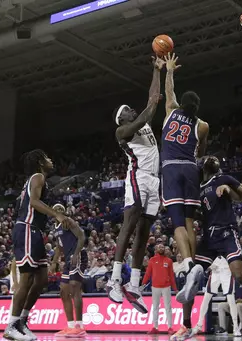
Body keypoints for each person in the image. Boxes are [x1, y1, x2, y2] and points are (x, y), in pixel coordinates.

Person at [171, 156, 242, 340]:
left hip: (226, 232)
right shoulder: (197, 189)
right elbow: (199, 212)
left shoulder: (223, 178)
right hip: (209, 237)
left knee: (240, 275)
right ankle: (186, 325)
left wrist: (231, 190)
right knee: (191, 276)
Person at [106, 56, 165, 313]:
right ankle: (114, 279)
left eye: (132, 108)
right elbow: (147, 111)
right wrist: (151, 104)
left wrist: (156, 71)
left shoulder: (143, 121)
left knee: (144, 232)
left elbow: (153, 96)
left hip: (155, 180)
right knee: (130, 224)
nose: (132, 109)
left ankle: (133, 285)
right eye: (127, 109)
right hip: (138, 176)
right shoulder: (122, 132)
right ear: (122, 119)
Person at [3, 149, 75, 341]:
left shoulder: (37, 179)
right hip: (27, 229)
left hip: (35, 232)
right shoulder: (37, 177)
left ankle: (22, 321)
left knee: (42, 279)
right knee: (26, 278)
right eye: (47, 157)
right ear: (40, 162)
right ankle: (11, 325)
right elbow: (34, 202)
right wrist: (56, 214)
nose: (51, 160)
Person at [160, 53, 209, 306]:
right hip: (191, 168)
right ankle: (195, 262)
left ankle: (189, 264)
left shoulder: (171, 111)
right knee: (190, 220)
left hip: (170, 168)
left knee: (177, 221)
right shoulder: (203, 125)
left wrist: (168, 70)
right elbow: (201, 153)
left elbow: (169, 92)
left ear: (182, 103)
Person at [51, 203, 87, 338]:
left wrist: (77, 253)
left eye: (61, 209)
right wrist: (54, 262)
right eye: (56, 209)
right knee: (63, 291)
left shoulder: (69, 221)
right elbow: (59, 248)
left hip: (77, 255)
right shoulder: (56, 227)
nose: (58, 211)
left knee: (74, 288)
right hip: (67, 258)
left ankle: (80, 326)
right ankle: (71, 326)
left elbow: (82, 236)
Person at [194, 256, 240, 336]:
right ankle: (199, 324)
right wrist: (209, 267)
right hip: (215, 269)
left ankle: (235, 328)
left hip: (227, 270)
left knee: (231, 300)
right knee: (206, 298)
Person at [142, 243, 177, 335]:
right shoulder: (152, 260)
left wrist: (175, 288)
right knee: (155, 307)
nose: (162, 248)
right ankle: (155, 327)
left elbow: (171, 276)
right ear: (156, 249)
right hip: (155, 287)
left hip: (166, 286)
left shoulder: (169, 261)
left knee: (168, 307)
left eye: (163, 247)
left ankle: (170, 327)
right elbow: (148, 273)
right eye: (160, 247)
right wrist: (143, 284)